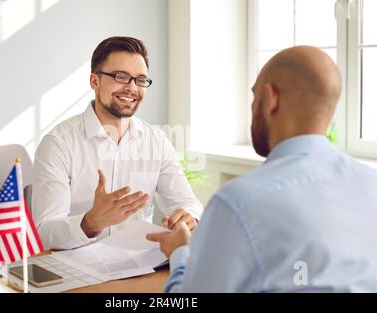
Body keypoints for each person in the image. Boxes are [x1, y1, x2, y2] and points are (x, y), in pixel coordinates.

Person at [147, 46, 377, 292]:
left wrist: (181, 253)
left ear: (270, 99)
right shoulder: (371, 183)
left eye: (254, 97)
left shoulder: (239, 202)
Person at [33, 36, 203, 250]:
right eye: (121, 77)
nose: (132, 88)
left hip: (138, 263)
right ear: (95, 81)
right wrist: (90, 222)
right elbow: (44, 232)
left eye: (140, 80)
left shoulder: (156, 141)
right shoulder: (58, 144)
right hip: (76, 266)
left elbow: (188, 202)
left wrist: (189, 218)